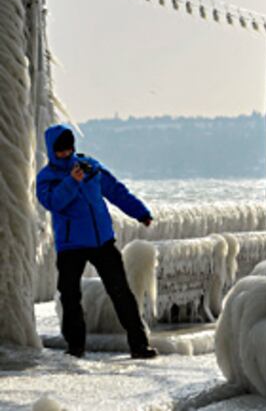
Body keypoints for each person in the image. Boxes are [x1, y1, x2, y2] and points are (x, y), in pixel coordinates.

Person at [36, 123, 158, 359]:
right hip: (71, 245)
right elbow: (54, 203)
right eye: (60, 150)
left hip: (102, 241)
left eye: (69, 149)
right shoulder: (46, 178)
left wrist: (140, 212)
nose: (66, 154)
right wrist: (71, 182)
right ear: (52, 151)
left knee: (121, 291)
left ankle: (139, 345)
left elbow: (116, 191)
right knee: (70, 296)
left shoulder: (91, 167)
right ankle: (75, 348)